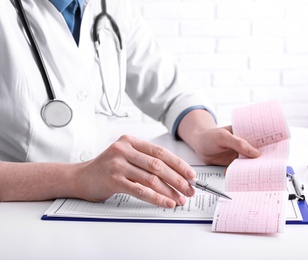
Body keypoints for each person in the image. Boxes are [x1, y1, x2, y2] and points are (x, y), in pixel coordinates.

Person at [0, 0, 260, 208]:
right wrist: (76, 178)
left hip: (100, 211)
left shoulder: (112, 7)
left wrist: (202, 134)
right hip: (17, 216)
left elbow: (172, 90)